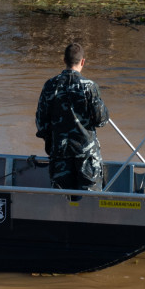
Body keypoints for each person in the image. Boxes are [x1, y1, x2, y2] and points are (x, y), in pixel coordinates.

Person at [35, 43, 109, 192]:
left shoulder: (50, 85)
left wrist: (52, 141)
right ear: (83, 61)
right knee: (91, 204)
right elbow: (101, 120)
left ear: (64, 60)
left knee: (61, 203)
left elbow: (41, 124)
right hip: (87, 156)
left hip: (59, 155)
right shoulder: (90, 87)